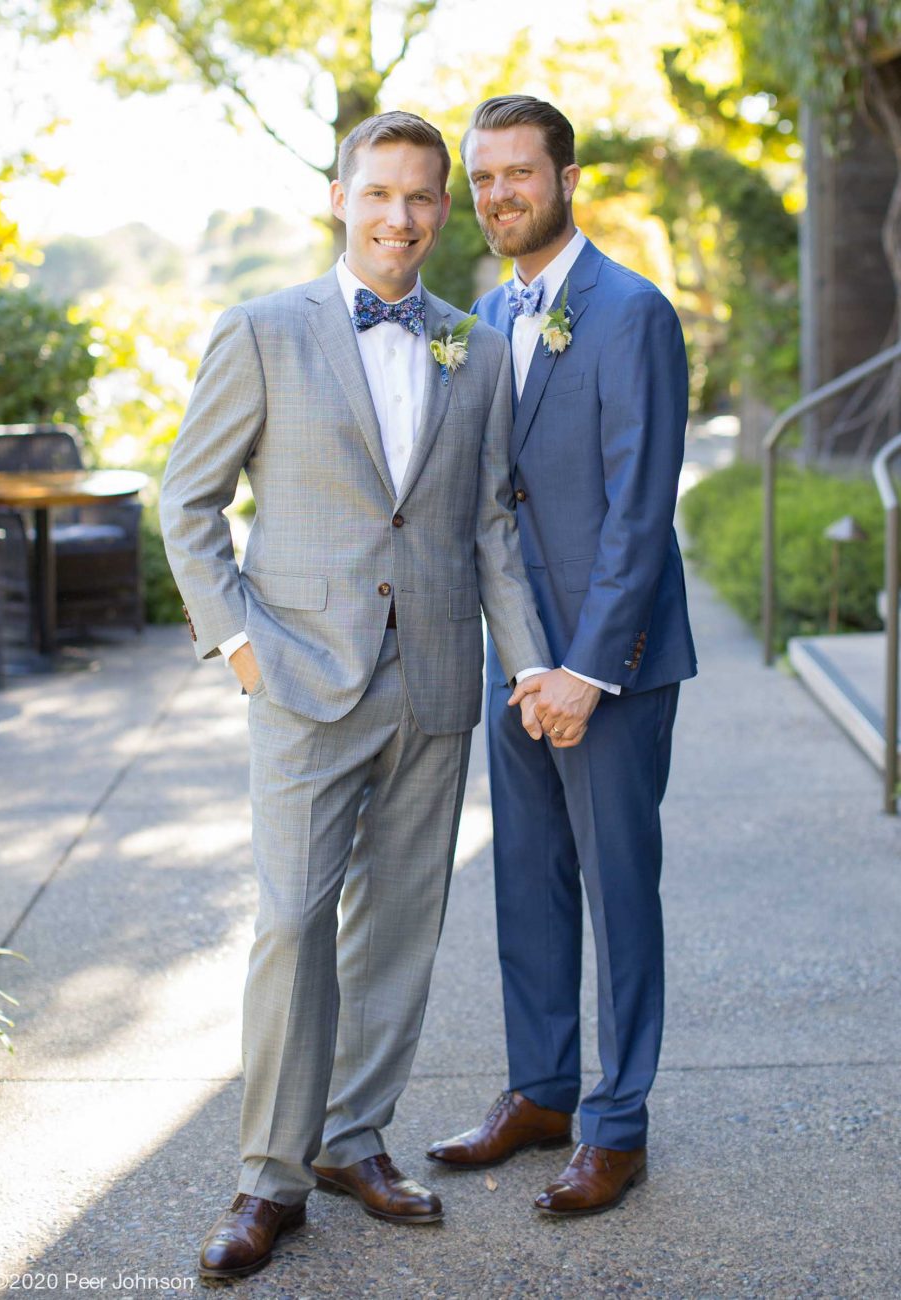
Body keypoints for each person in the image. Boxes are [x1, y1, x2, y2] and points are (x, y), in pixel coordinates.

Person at [160, 110, 555, 1280]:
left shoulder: (470, 345)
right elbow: (188, 506)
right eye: (378, 193)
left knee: (396, 933)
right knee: (291, 924)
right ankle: (264, 1179)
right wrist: (238, 648)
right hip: (297, 679)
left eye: (422, 198)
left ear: (444, 211)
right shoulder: (262, 330)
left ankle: (352, 1139)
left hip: (433, 679)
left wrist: (525, 662)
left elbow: (485, 523)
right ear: (338, 198)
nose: (399, 217)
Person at [427, 95, 697, 1216]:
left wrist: (587, 669)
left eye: (517, 174)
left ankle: (616, 1120)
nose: (497, 195)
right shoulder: (477, 319)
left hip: (610, 666)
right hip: (517, 659)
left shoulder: (629, 311)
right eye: (481, 178)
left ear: (566, 178)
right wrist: (521, 660)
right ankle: (539, 1090)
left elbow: (638, 510)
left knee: (617, 886)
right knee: (526, 886)